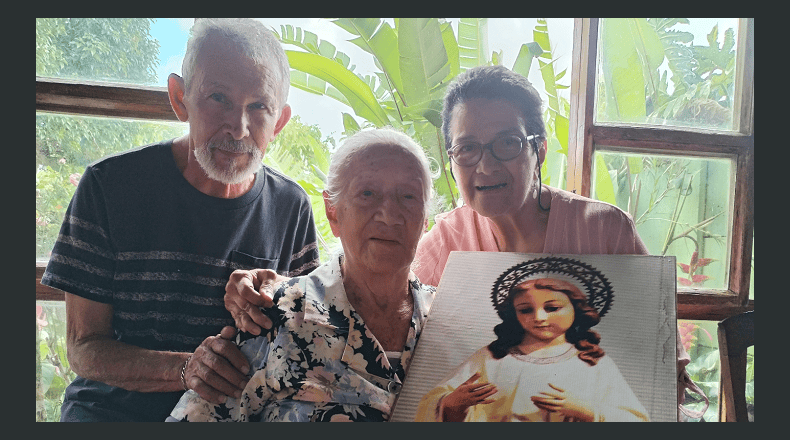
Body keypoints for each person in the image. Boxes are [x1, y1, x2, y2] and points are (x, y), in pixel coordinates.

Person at [39, 18, 320, 422]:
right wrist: (186, 368)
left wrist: (275, 295)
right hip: (111, 412)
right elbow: (83, 347)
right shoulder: (110, 186)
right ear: (179, 97)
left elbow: (306, 338)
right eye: (218, 98)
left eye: (258, 106)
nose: (238, 128)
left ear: (279, 121)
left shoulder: (291, 207)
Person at [167, 128, 437, 422]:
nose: (388, 214)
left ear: (425, 219)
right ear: (333, 213)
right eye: (367, 194)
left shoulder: (449, 320)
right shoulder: (276, 317)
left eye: (408, 196)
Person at [415, 258, 649, 422]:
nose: (539, 318)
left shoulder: (592, 362)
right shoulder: (492, 357)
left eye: (552, 307)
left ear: (575, 310)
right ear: (514, 315)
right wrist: (450, 404)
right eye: (525, 310)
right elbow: (434, 402)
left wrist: (587, 411)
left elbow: (635, 420)